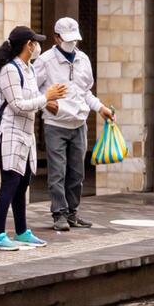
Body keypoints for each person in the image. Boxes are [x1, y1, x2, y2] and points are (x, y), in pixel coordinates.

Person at [0, 26, 67, 250]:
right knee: (9, 183)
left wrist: (46, 102)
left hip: (25, 135)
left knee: (21, 185)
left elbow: (29, 99)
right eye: (35, 42)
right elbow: (17, 105)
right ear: (28, 45)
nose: (37, 45)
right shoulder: (10, 70)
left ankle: (21, 231)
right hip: (9, 134)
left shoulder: (27, 68)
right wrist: (46, 97)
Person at [34, 17, 114, 231]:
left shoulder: (83, 59)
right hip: (55, 124)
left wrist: (101, 108)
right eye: (66, 39)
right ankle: (58, 213)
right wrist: (45, 103)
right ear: (56, 37)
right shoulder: (44, 60)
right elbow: (32, 89)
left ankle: (72, 213)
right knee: (57, 172)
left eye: (74, 39)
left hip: (79, 124)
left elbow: (84, 91)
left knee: (77, 173)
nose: (71, 43)